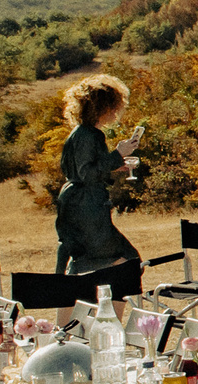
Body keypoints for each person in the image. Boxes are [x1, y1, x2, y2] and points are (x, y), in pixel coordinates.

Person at [53, 73, 143, 274]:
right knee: (127, 260)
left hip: (77, 204)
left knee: (86, 258)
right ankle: (77, 289)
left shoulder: (80, 133)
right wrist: (119, 154)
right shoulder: (89, 135)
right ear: (104, 107)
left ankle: (67, 290)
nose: (116, 112)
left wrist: (115, 165)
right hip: (87, 208)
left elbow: (83, 169)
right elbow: (87, 174)